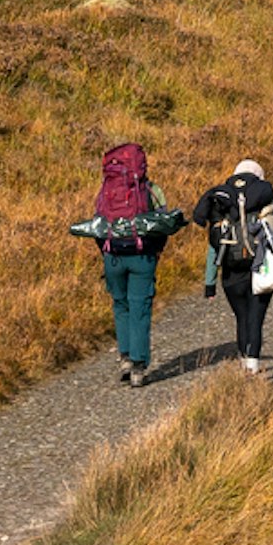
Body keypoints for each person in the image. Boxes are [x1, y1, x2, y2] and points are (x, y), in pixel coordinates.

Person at [66, 141, 188, 385]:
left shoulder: (104, 191)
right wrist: (156, 251)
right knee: (140, 308)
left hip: (113, 257)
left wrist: (107, 251)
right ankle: (138, 367)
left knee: (120, 304)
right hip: (143, 257)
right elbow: (162, 225)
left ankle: (124, 356)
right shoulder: (152, 191)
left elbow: (98, 225)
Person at [194, 158, 273, 372]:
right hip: (261, 267)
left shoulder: (223, 202)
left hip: (231, 272)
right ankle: (253, 365)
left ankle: (243, 363)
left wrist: (209, 283)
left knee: (241, 317)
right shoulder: (267, 201)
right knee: (255, 318)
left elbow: (214, 246)